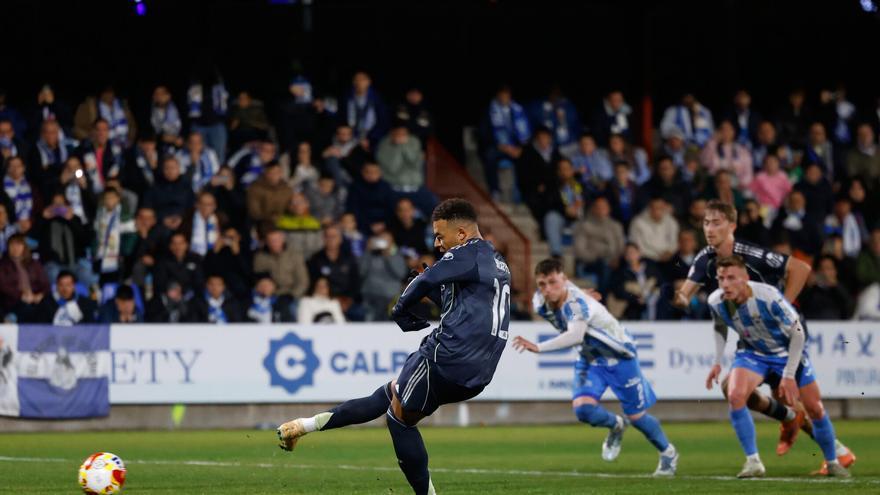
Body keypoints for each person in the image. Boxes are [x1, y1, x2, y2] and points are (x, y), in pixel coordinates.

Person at [277, 199, 511, 495]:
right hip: (479, 372)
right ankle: (303, 426)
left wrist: (400, 308)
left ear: (462, 234)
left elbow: (428, 278)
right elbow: (462, 307)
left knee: (398, 419)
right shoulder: (495, 261)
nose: (437, 244)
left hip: (447, 358)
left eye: (440, 236)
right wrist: (432, 294)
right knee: (389, 393)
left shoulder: (468, 252)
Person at [674, 200, 855, 465]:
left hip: (784, 334)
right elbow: (685, 293)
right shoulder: (704, 258)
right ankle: (801, 426)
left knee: (792, 397)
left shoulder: (752, 255)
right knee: (733, 390)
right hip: (754, 336)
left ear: (732, 226)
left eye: (716, 223)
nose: (709, 229)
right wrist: (677, 297)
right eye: (706, 223)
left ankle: (833, 449)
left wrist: (782, 307)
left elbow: (801, 268)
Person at [512, 258, 678, 476]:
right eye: (542, 284)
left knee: (637, 417)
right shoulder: (539, 301)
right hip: (590, 359)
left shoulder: (576, 304)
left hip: (620, 357)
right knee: (583, 410)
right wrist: (579, 292)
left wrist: (539, 347)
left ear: (564, 280)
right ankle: (616, 425)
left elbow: (575, 335)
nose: (548, 289)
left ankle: (668, 453)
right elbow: (566, 299)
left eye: (553, 282)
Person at [705, 255, 851, 478]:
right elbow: (719, 327)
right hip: (753, 354)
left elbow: (798, 333)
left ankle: (833, 461)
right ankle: (753, 462)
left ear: (745, 278)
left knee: (814, 408)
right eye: (721, 278)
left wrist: (789, 375)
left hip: (786, 353)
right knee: (735, 395)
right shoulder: (716, 301)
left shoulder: (768, 296)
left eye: (731, 278)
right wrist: (717, 361)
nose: (725, 284)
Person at [573, 196, 625, 295]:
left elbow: (621, 246)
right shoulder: (584, 226)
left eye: (604, 207)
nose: (601, 210)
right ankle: (602, 298)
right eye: (598, 207)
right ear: (593, 209)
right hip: (591, 262)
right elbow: (579, 251)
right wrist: (597, 256)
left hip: (614, 261)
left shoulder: (616, 226)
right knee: (605, 267)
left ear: (609, 209)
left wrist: (616, 259)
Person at [359, 231, 408, 321]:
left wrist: (388, 257)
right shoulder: (370, 255)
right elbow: (361, 272)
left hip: (390, 297)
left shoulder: (397, 255)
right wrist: (367, 252)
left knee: (389, 323)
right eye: (382, 240)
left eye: (387, 240)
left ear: (392, 242)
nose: (384, 243)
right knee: (369, 322)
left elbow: (401, 274)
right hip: (371, 295)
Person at [31, 270, 97, 325]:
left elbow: (90, 327)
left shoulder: (85, 303)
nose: (64, 289)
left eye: (68, 285)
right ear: (56, 286)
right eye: (61, 285)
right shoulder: (46, 302)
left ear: (73, 286)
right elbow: (40, 326)